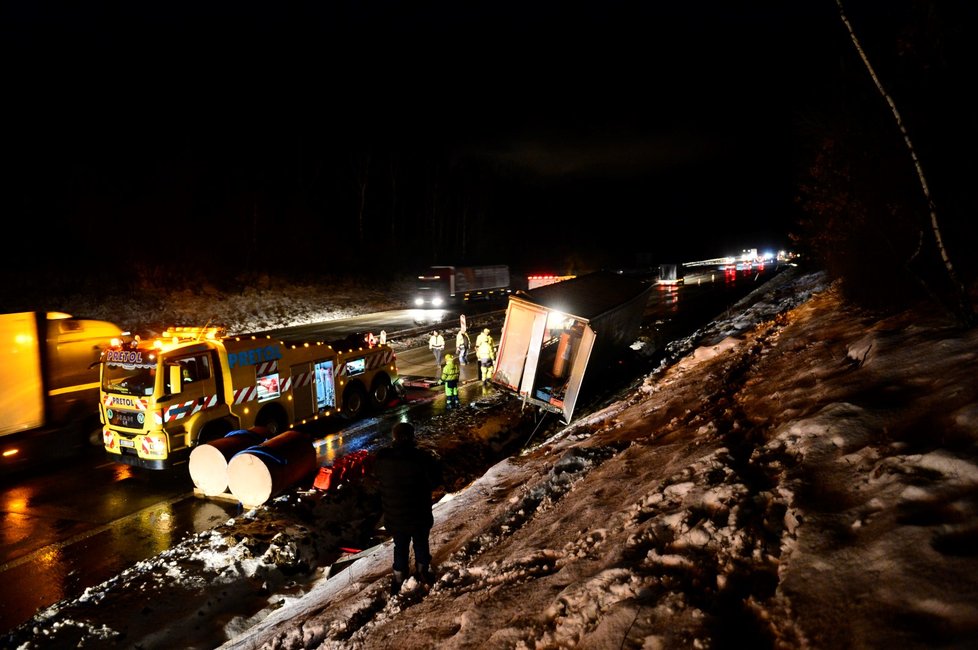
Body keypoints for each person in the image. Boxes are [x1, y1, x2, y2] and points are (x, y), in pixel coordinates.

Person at [373, 422, 443, 595]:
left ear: (394, 437)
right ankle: (422, 571)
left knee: (400, 545)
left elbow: (377, 479)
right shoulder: (422, 458)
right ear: (412, 437)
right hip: (419, 512)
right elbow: (435, 481)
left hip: (395, 515)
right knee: (420, 542)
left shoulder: (382, 459)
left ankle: (399, 576)